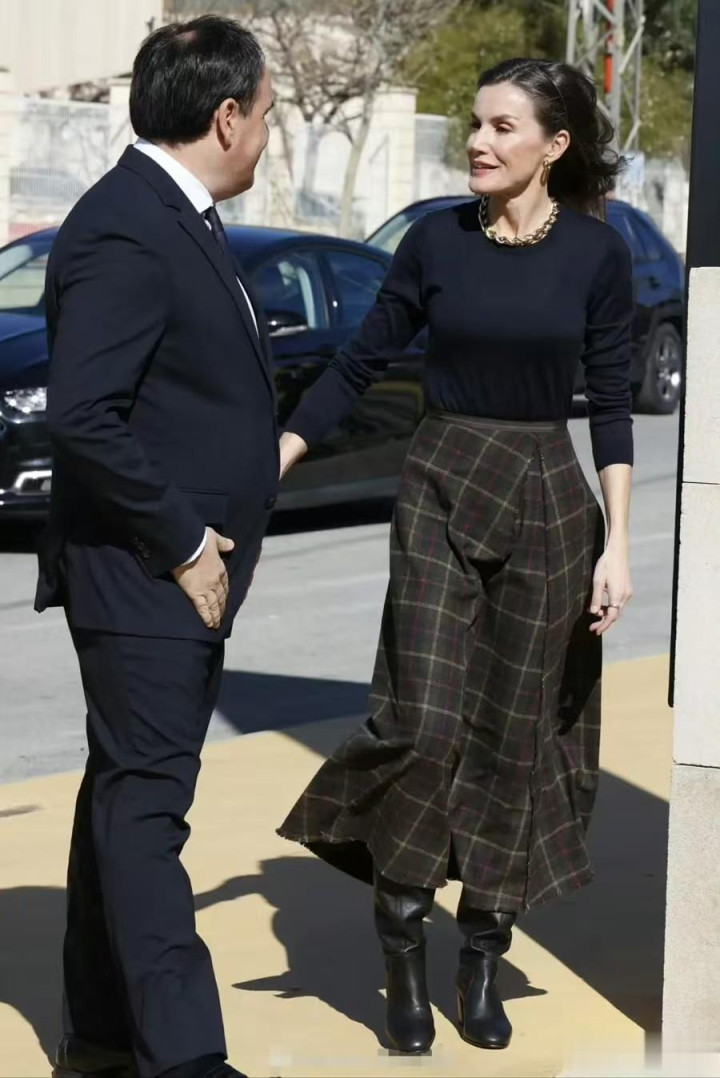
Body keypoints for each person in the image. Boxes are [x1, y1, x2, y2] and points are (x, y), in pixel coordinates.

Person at [276, 57, 634, 1055]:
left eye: (502, 126)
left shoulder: (596, 254)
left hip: (548, 501)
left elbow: (612, 403)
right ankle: (401, 944)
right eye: (475, 123)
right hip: (439, 484)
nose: (477, 141)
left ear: (554, 145)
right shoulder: (436, 239)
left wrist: (618, 545)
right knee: (423, 725)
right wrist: (284, 447)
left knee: (514, 738)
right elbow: (362, 357)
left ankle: (480, 953)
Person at [36, 16, 277, 1078]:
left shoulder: (173, 215)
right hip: (145, 576)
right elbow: (83, 415)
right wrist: (183, 540)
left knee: (121, 793)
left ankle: (98, 1032)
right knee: (146, 814)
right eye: (266, 115)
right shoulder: (129, 227)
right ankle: (184, 1059)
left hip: (164, 577)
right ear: (225, 118)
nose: (266, 135)